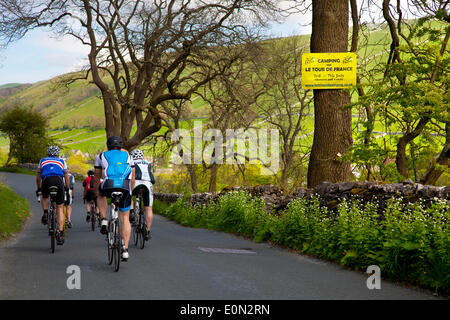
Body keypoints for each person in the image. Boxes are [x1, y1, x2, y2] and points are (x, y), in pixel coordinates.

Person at [94, 136, 135, 261]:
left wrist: (97, 190)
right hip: (124, 186)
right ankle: (125, 250)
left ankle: (104, 219)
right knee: (125, 218)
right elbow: (132, 178)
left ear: (108, 146)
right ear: (121, 146)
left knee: (100, 195)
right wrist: (130, 191)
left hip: (109, 184)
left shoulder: (101, 156)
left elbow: (97, 176)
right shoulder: (128, 156)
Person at [36, 146, 70, 245]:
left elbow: (38, 177)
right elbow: (67, 177)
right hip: (58, 181)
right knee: (59, 207)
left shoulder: (42, 160)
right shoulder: (62, 161)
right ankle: (59, 232)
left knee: (45, 197)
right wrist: (67, 188)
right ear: (58, 154)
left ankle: (46, 213)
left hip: (46, 180)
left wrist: (39, 188)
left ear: (48, 154)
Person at [129, 149, 155, 241]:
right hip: (147, 185)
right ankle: (147, 231)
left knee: (129, 195)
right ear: (142, 156)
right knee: (148, 208)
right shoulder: (148, 163)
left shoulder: (131, 162)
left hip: (135, 182)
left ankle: (131, 212)